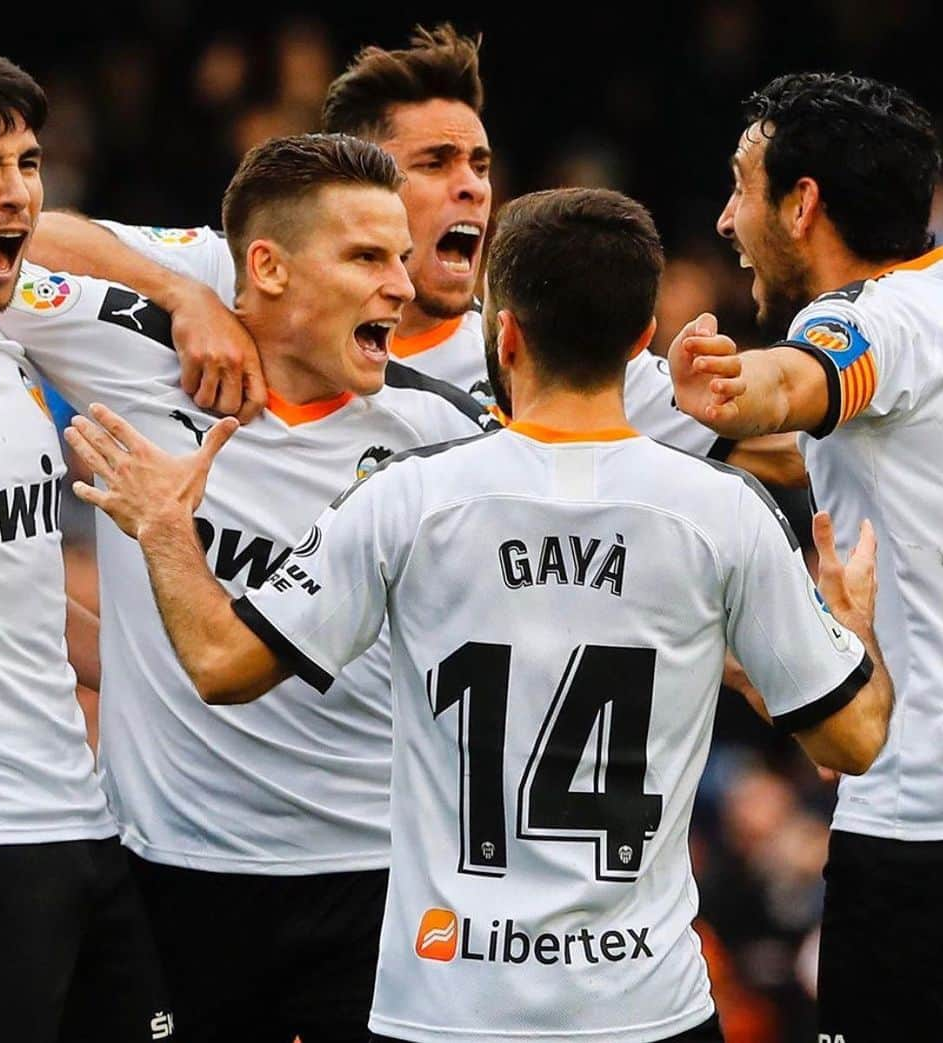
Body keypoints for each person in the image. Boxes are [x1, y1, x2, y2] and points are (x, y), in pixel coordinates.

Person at [66, 186, 893, 1043]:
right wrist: (853, 630)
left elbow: (220, 663)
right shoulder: (723, 511)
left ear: (506, 336)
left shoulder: (406, 496)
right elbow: (855, 741)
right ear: (640, 340)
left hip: (447, 1004)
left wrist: (166, 531)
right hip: (644, 1005)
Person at [0, 132, 493, 1043]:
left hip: (377, 874)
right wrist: (183, 292)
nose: (403, 287)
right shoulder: (131, 353)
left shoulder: (441, 430)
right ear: (264, 267)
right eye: (368, 257)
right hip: (172, 871)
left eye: (402, 259)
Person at [24, 24, 801, 487]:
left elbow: (781, 448)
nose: (471, 190)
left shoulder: (530, 353)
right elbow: (39, 236)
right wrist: (182, 297)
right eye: (434, 164)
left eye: (482, 166)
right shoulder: (239, 273)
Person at [668, 71, 943, 1041]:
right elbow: (817, 441)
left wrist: (718, 385)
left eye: (740, 186)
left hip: (924, 832)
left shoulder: (869, 320)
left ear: (802, 205)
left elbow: (793, 387)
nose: (724, 219)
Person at [0, 51, 171, 1043]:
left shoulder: (9, 358)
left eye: (28, 160)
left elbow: (19, 594)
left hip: (82, 818)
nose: (17, 190)